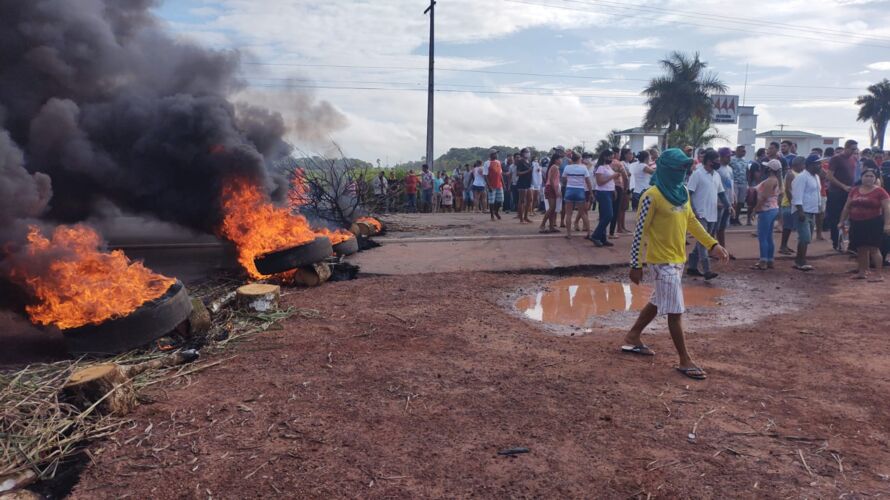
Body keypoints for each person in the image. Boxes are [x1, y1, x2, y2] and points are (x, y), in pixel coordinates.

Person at [623, 148, 730, 380]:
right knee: (675, 309)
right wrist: (635, 264)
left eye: (685, 168)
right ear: (668, 169)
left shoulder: (681, 192)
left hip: (678, 258)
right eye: (679, 168)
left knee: (658, 300)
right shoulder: (651, 195)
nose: (683, 173)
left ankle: (632, 337)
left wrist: (713, 244)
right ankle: (685, 359)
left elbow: (691, 221)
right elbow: (639, 232)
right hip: (661, 261)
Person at [686, 149, 730, 280]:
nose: (718, 163)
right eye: (716, 161)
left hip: (713, 213)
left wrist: (729, 205)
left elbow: (721, 193)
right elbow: (689, 193)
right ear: (709, 161)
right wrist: (692, 209)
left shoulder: (716, 175)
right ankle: (707, 270)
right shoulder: (697, 174)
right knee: (704, 242)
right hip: (700, 213)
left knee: (702, 241)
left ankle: (692, 267)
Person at [839, 168, 890, 281]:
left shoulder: (880, 191)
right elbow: (847, 207)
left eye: (871, 176)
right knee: (861, 248)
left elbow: (887, 209)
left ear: (875, 178)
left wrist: (887, 224)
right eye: (866, 176)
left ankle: (878, 275)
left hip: (873, 223)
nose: (869, 178)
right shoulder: (855, 190)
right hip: (857, 222)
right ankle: (862, 272)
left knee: (874, 249)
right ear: (861, 177)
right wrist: (841, 221)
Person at [790, 155, 822, 271]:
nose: (820, 166)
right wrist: (800, 212)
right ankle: (801, 261)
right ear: (810, 165)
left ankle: (799, 260)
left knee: (806, 238)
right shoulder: (802, 177)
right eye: (817, 164)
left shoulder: (816, 177)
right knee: (805, 237)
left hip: (812, 211)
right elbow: (797, 195)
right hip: (803, 211)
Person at [825, 140, 858, 251]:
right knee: (836, 218)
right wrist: (843, 186)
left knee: (849, 217)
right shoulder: (836, 159)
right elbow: (829, 176)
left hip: (849, 192)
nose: (854, 151)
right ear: (846, 147)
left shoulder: (853, 159)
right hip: (836, 192)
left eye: (855, 149)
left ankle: (849, 243)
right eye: (853, 149)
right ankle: (836, 242)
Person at [751, 160, 783, 270]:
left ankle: (763, 261)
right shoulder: (777, 180)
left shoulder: (770, 180)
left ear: (769, 169)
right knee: (768, 236)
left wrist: (755, 209)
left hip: (767, 210)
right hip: (773, 209)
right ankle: (769, 260)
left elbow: (764, 197)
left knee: (763, 237)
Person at [561, 150, 592, 239]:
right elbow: (588, 181)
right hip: (580, 190)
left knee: (569, 213)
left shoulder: (567, 167)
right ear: (579, 159)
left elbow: (563, 180)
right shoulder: (583, 168)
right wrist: (591, 192)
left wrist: (569, 182)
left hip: (570, 189)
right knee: (583, 213)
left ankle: (568, 234)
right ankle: (589, 233)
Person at [591, 150, 619, 247]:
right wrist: (613, 176)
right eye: (610, 157)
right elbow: (600, 182)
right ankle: (595, 235)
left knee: (604, 216)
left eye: (612, 157)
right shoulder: (600, 168)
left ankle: (603, 238)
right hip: (603, 193)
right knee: (608, 215)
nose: (611, 159)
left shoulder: (607, 167)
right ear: (604, 157)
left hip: (608, 192)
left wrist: (613, 189)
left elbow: (609, 181)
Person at [715, 148, 735, 254]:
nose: (729, 158)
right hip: (719, 202)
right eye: (728, 156)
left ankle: (723, 249)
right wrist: (718, 201)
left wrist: (733, 198)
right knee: (715, 228)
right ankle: (713, 250)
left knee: (722, 227)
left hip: (728, 201)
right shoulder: (717, 170)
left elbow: (731, 185)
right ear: (721, 157)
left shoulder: (729, 169)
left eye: (730, 156)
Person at [610, 149, 632, 236]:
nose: (631, 155)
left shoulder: (628, 164)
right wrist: (625, 187)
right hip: (621, 186)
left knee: (624, 208)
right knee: (620, 208)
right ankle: (619, 227)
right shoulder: (620, 163)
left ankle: (622, 226)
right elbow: (626, 176)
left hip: (625, 186)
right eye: (629, 153)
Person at [540, 151, 562, 234]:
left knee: (552, 209)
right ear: (556, 160)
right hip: (550, 188)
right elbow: (552, 180)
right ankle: (542, 224)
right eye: (560, 159)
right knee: (551, 208)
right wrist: (556, 191)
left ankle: (551, 226)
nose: (561, 160)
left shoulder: (554, 167)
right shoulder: (554, 167)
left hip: (551, 187)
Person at [573, 152, 595, 234]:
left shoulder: (592, 166)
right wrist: (589, 164)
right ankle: (578, 223)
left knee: (587, 208)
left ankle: (584, 225)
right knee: (584, 208)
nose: (589, 159)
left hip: (590, 189)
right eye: (587, 157)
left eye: (589, 157)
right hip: (583, 189)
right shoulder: (581, 166)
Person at [730, 146, 748, 225]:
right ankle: (732, 218)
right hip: (735, 183)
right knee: (734, 202)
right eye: (742, 151)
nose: (743, 152)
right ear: (737, 151)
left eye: (744, 151)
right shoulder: (731, 160)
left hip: (743, 183)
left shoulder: (745, 161)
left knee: (741, 202)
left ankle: (737, 218)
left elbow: (747, 172)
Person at [515, 148, 533, 223]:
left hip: (528, 183)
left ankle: (526, 216)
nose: (528, 153)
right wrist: (528, 171)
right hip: (522, 183)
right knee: (522, 201)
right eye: (526, 152)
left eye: (529, 152)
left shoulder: (528, 161)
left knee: (530, 199)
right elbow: (518, 173)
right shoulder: (520, 161)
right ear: (522, 153)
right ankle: (521, 218)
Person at [485, 151, 505, 220]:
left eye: (497, 154)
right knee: (491, 201)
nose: (497, 155)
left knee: (500, 200)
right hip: (492, 185)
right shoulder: (487, 163)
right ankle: (492, 215)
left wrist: (503, 184)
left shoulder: (498, 162)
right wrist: (489, 186)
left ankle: (496, 211)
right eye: (495, 154)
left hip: (499, 184)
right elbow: (485, 176)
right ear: (491, 155)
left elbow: (500, 174)